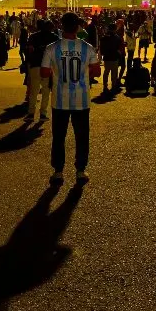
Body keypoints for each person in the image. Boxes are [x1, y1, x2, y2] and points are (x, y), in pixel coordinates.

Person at [40, 12, 101, 185]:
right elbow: (97, 71)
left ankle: (58, 171)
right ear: (78, 27)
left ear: (61, 26)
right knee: (82, 136)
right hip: (81, 99)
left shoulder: (52, 48)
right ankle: (80, 170)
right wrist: (84, 72)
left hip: (59, 99)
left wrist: (56, 70)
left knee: (59, 136)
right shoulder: (87, 48)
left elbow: (44, 72)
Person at [25, 20, 59, 121]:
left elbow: (29, 51)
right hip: (48, 67)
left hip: (35, 65)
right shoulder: (55, 38)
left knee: (33, 91)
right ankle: (43, 114)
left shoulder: (33, 36)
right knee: (46, 91)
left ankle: (31, 113)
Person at [99, 23, 121, 92]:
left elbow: (101, 48)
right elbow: (118, 47)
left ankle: (105, 85)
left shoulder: (104, 37)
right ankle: (113, 86)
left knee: (106, 72)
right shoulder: (117, 37)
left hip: (107, 57)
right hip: (114, 57)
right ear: (115, 29)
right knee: (114, 73)